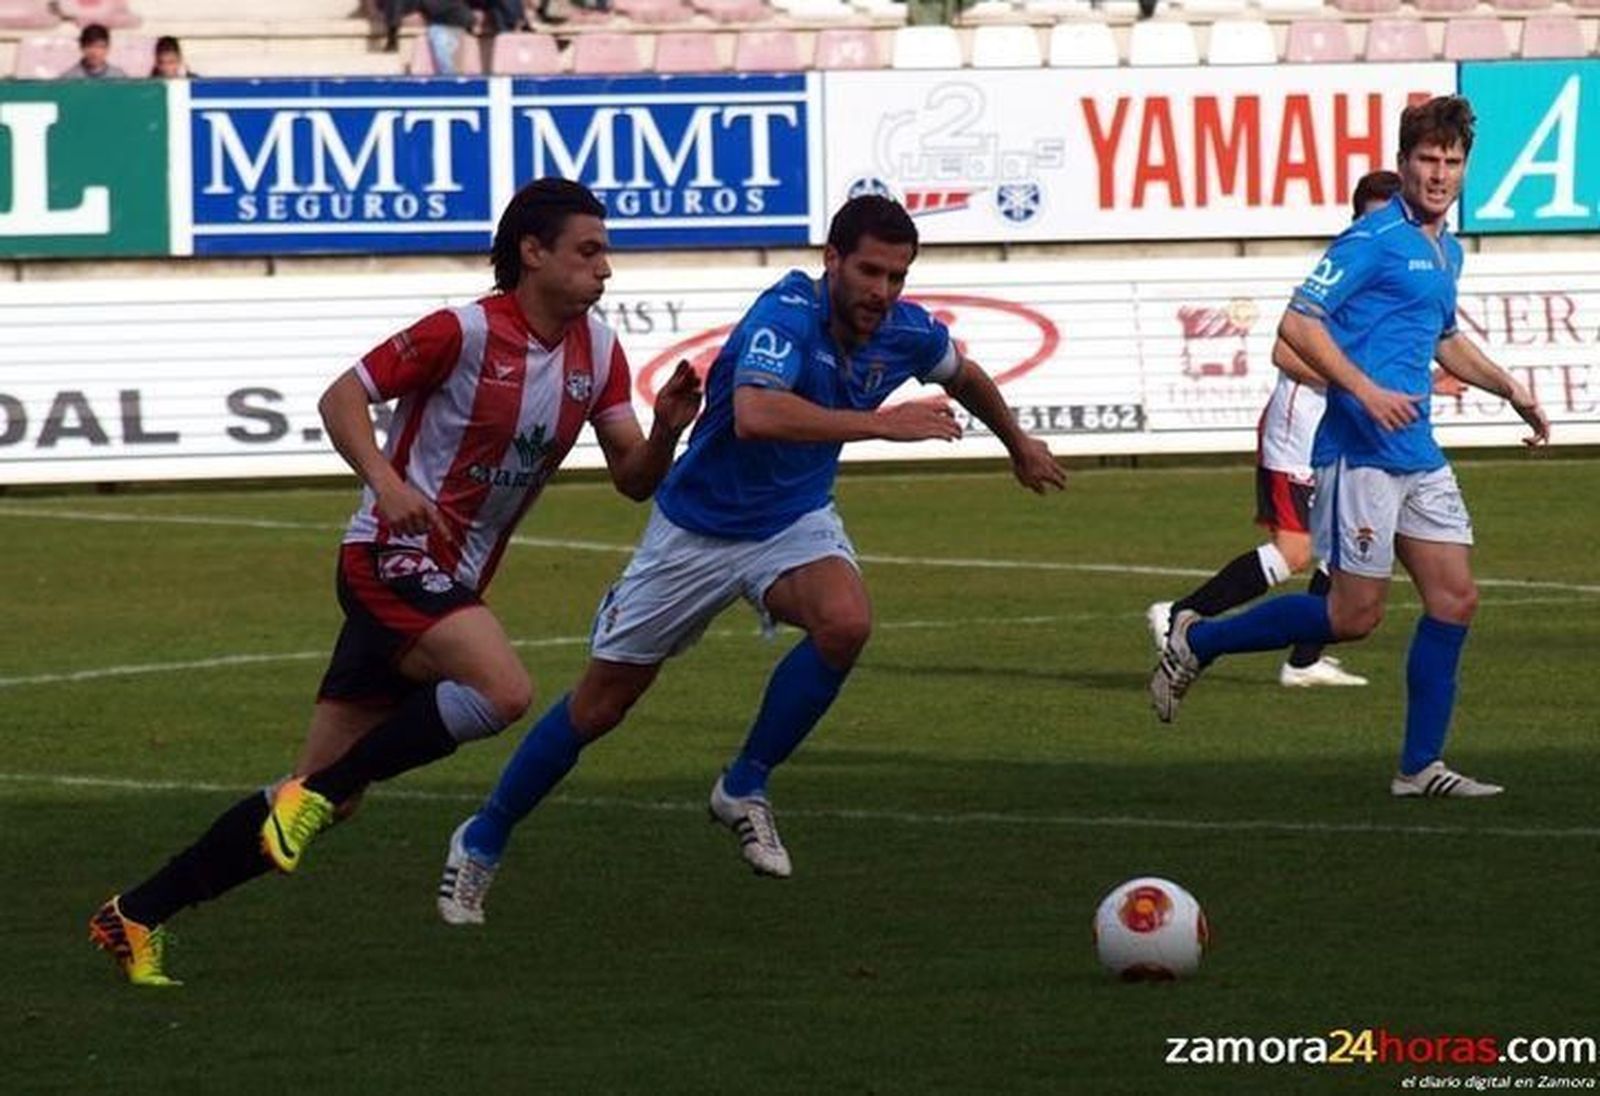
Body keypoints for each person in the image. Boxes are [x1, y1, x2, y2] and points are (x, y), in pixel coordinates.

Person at [88, 178, 704, 986]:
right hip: (388, 557)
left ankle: (135, 914)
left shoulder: (599, 351)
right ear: (533, 251)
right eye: (590, 251)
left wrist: (663, 429)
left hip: (451, 581)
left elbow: (632, 478)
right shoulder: (465, 331)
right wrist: (384, 479)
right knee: (504, 689)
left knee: (317, 801)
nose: (606, 270)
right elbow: (342, 395)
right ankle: (314, 797)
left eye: (606, 253)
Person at [433, 194, 1067, 925]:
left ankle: (745, 784)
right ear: (831, 261)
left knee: (846, 622)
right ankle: (481, 839)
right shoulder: (785, 316)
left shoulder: (904, 330)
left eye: (897, 276)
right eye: (868, 271)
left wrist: (1018, 443)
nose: (882, 291)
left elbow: (966, 375)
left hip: (791, 523)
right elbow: (758, 413)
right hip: (695, 530)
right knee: (602, 706)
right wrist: (882, 425)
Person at [1149, 97, 1550, 799]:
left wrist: (1509, 388)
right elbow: (1297, 324)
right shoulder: (1373, 237)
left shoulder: (1444, 247)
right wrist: (1364, 390)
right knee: (1352, 618)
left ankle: (1419, 768)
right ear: (1403, 164)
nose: (1439, 174)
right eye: (1427, 160)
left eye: (1452, 163)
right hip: (1359, 453)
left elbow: (1446, 338)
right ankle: (1196, 641)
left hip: (1417, 453)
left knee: (1455, 600)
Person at [1145, 170, 1403, 690]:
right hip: (1298, 429)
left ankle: (1303, 661)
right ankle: (1180, 614)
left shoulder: (1388, 275)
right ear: (1356, 219)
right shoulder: (1342, 270)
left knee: (1343, 546)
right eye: (1376, 216)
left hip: (1337, 432)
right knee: (1296, 550)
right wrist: (1353, 383)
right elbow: (1284, 350)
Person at [58, 24, 127, 79]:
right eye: (90, 46)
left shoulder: (119, 78)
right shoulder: (68, 79)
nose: (95, 52)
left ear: (108, 49)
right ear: (81, 47)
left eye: (100, 47)